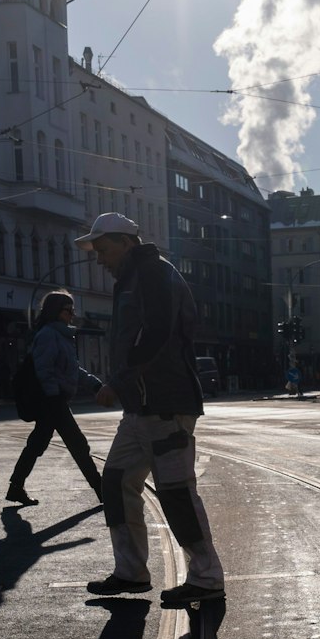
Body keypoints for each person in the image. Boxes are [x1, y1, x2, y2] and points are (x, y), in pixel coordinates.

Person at [74, 212, 225, 607]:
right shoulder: (134, 276)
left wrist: (117, 382)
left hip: (166, 403)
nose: (99, 259)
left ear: (126, 243)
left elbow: (156, 334)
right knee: (117, 482)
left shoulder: (153, 274)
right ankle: (131, 572)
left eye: (104, 250)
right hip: (142, 406)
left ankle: (207, 577)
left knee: (176, 493)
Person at [7, 290, 104, 506]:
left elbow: (72, 368)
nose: (72, 314)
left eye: (73, 310)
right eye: (67, 310)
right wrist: (53, 397)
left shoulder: (62, 335)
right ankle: (101, 489)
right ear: (55, 311)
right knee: (78, 444)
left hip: (54, 399)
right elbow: (45, 369)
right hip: (52, 400)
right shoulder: (49, 334)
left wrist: (93, 383)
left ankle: (15, 486)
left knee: (37, 443)